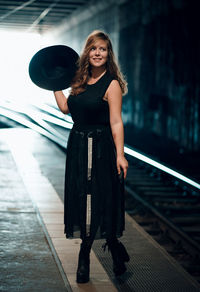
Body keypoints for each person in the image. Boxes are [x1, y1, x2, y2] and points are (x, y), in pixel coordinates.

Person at [53, 30, 129, 283]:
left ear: (109, 55)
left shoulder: (112, 84)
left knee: (100, 199)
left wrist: (120, 155)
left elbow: (116, 122)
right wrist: (54, 85)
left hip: (102, 148)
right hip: (78, 146)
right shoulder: (79, 81)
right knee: (81, 197)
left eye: (103, 49)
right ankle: (114, 247)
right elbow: (66, 109)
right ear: (87, 52)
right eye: (94, 49)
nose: (98, 53)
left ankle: (85, 255)